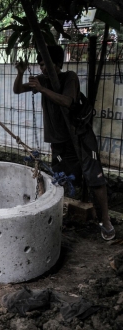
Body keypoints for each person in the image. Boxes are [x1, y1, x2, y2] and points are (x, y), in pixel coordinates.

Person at [14, 45, 115, 241]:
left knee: (95, 177)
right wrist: (20, 74)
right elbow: (18, 90)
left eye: (47, 64)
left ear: (58, 64)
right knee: (60, 177)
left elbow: (68, 101)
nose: (43, 68)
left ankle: (106, 219)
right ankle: (56, 218)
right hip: (59, 141)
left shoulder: (69, 77)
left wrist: (42, 89)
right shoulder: (42, 80)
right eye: (41, 64)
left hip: (80, 136)